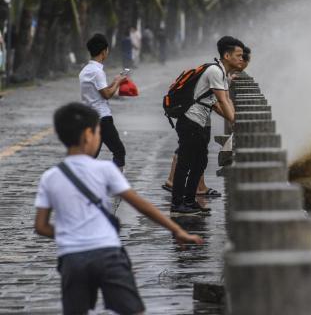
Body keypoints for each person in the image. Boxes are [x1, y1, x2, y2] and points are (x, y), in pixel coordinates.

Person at [34, 102, 203, 315]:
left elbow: (41, 226)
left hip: (72, 259)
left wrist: (70, 233)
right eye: (98, 132)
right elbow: (141, 205)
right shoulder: (105, 169)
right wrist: (177, 230)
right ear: (88, 134)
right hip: (107, 254)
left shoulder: (50, 177)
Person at [162, 44, 252, 197]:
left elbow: (224, 101)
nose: (241, 60)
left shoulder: (222, 73)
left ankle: (191, 200)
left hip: (199, 120)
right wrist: (235, 122)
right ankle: (178, 204)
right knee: (186, 162)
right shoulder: (215, 72)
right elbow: (221, 102)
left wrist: (234, 119)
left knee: (199, 161)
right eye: (239, 56)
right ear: (227, 56)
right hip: (192, 120)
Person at [79, 33, 127, 171]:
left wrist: (113, 82)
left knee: (91, 155)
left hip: (91, 118)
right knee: (119, 151)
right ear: (104, 51)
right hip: (102, 119)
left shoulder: (85, 71)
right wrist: (118, 82)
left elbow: (98, 91)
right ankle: (114, 184)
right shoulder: (97, 72)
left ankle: (82, 182)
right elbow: (106, 94)